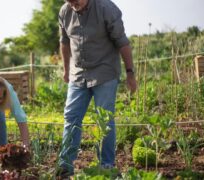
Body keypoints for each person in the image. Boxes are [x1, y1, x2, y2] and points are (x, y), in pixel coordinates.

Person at [57, 0, 137, 177]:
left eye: (75, 0)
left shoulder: (106, 8)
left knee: (104, 119)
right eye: (68, 1)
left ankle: (106, 166)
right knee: (71, 117)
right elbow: (64, 41)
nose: (72, 4)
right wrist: (66, 69)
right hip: (78, 74)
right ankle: (65, 166)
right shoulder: (65, 11)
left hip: (105, 72)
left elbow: (122, 42)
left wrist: (130, 73)